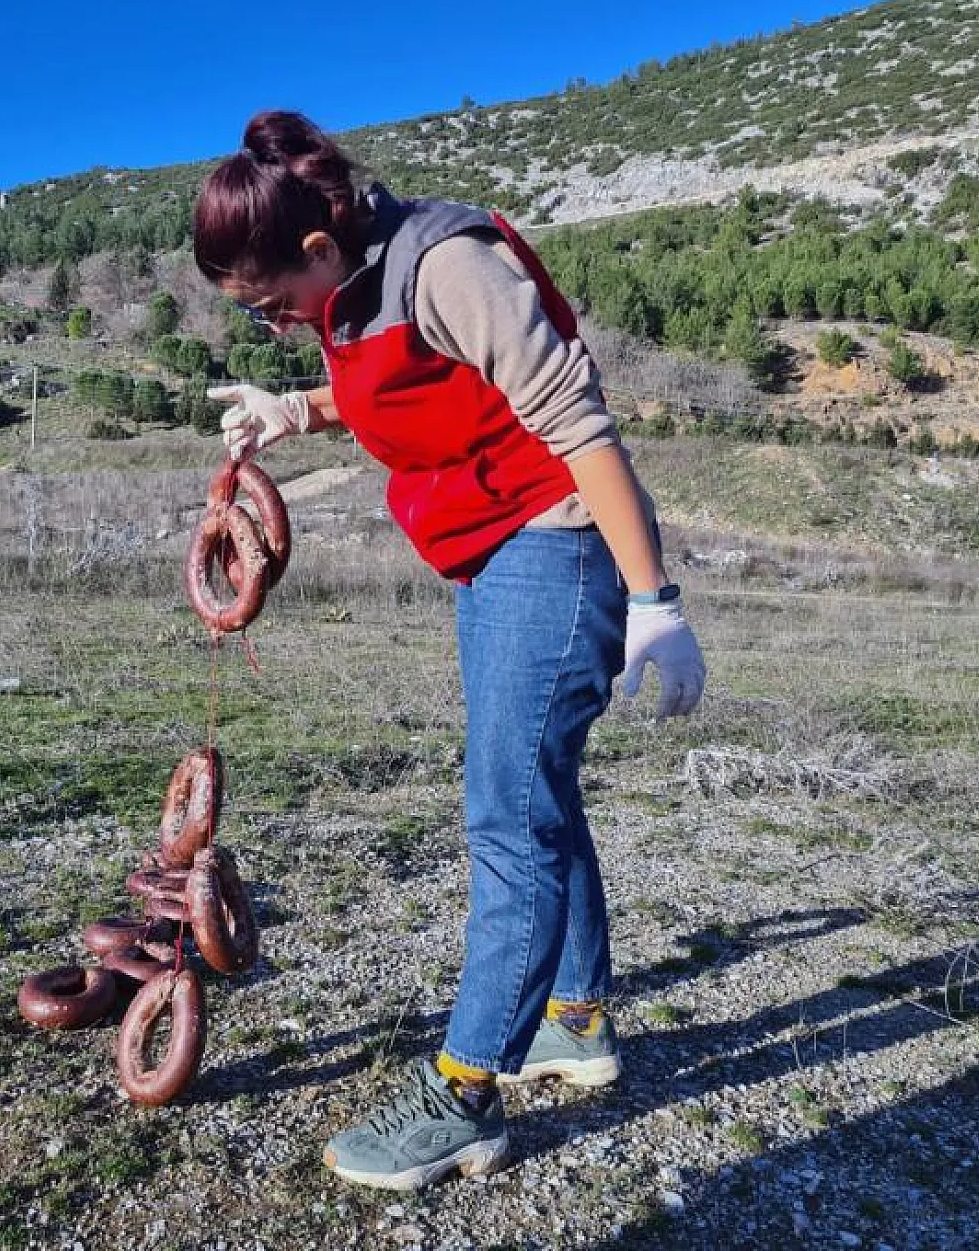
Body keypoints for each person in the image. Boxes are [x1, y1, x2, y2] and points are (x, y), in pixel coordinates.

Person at [193, 110, 706, 1192]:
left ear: (319, 250)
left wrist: (654, 597)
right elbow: (418, 387)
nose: (278, 322)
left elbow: (580, 426)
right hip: (487, 555)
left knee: (506, 815)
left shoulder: (450, 263)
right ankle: (575, 1020)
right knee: (539, 796)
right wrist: (296, 409)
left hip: (556, 548)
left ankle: (465, 1093)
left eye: (272, 302)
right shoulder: (360, 284)